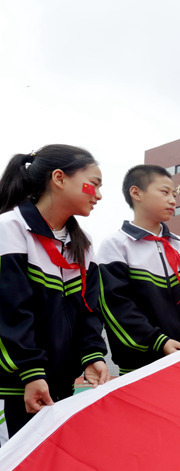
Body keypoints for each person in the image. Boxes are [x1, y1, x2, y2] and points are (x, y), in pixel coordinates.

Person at [0, 144, 110, 440]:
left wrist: (92, 355)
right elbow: (11, 311)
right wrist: (32, 372)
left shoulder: (83, 245)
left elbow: (90, 309)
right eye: (94, 184)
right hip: (13, 386)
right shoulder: (8, 229)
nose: (98, 195)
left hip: (59, 387)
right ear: (59, 178)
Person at [96, 165, 180, 375]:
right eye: (164, 192)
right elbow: (116, 306)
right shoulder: (115, 246)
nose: (173, 200)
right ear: (136, 193)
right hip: (139, 367)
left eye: (173, 194)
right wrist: (158, 341)